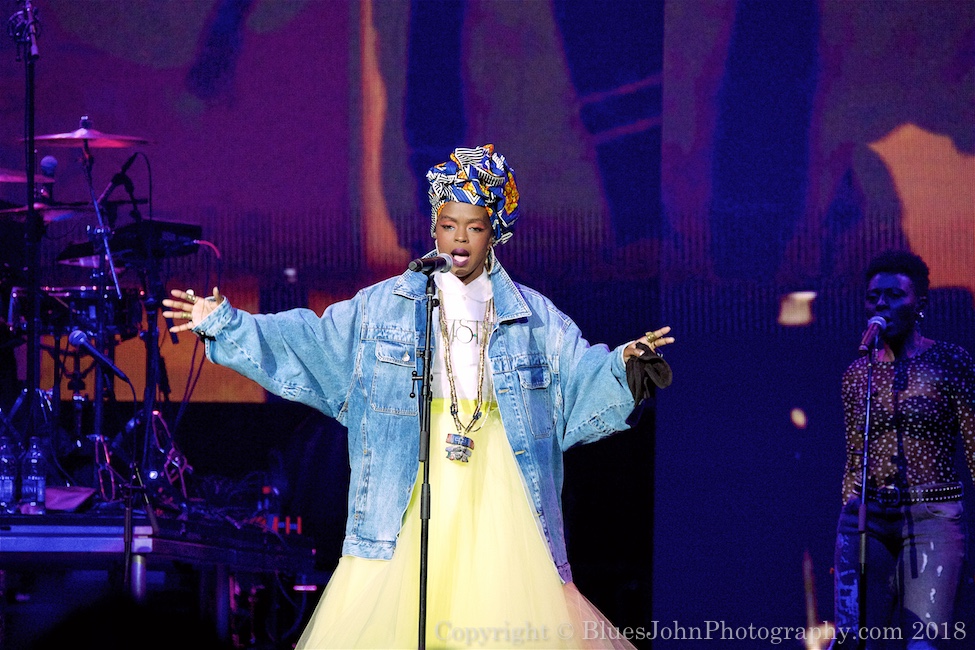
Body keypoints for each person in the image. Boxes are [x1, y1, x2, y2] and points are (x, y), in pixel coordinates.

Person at [163, 144, 673, 649]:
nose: (460, 238)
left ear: (494, 232)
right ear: (434, 228)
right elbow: (312, 342)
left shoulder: (533, 317)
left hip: (501, 494)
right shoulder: (385, 306)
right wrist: (226, 324)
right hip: (405, 491)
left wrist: (625, 367)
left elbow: (579, 380)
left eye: (474, 227)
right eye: (449, 225)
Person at [831, 250, 974, 649]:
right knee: (854, 641)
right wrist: (849, 511)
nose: (881, 304)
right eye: (873, 296)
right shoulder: (858, 373)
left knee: (923, 643)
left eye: (894, 295)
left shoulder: (949, 362)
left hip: (932, 517)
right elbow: (854, 454)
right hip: (867, 520)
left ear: (919, 303)